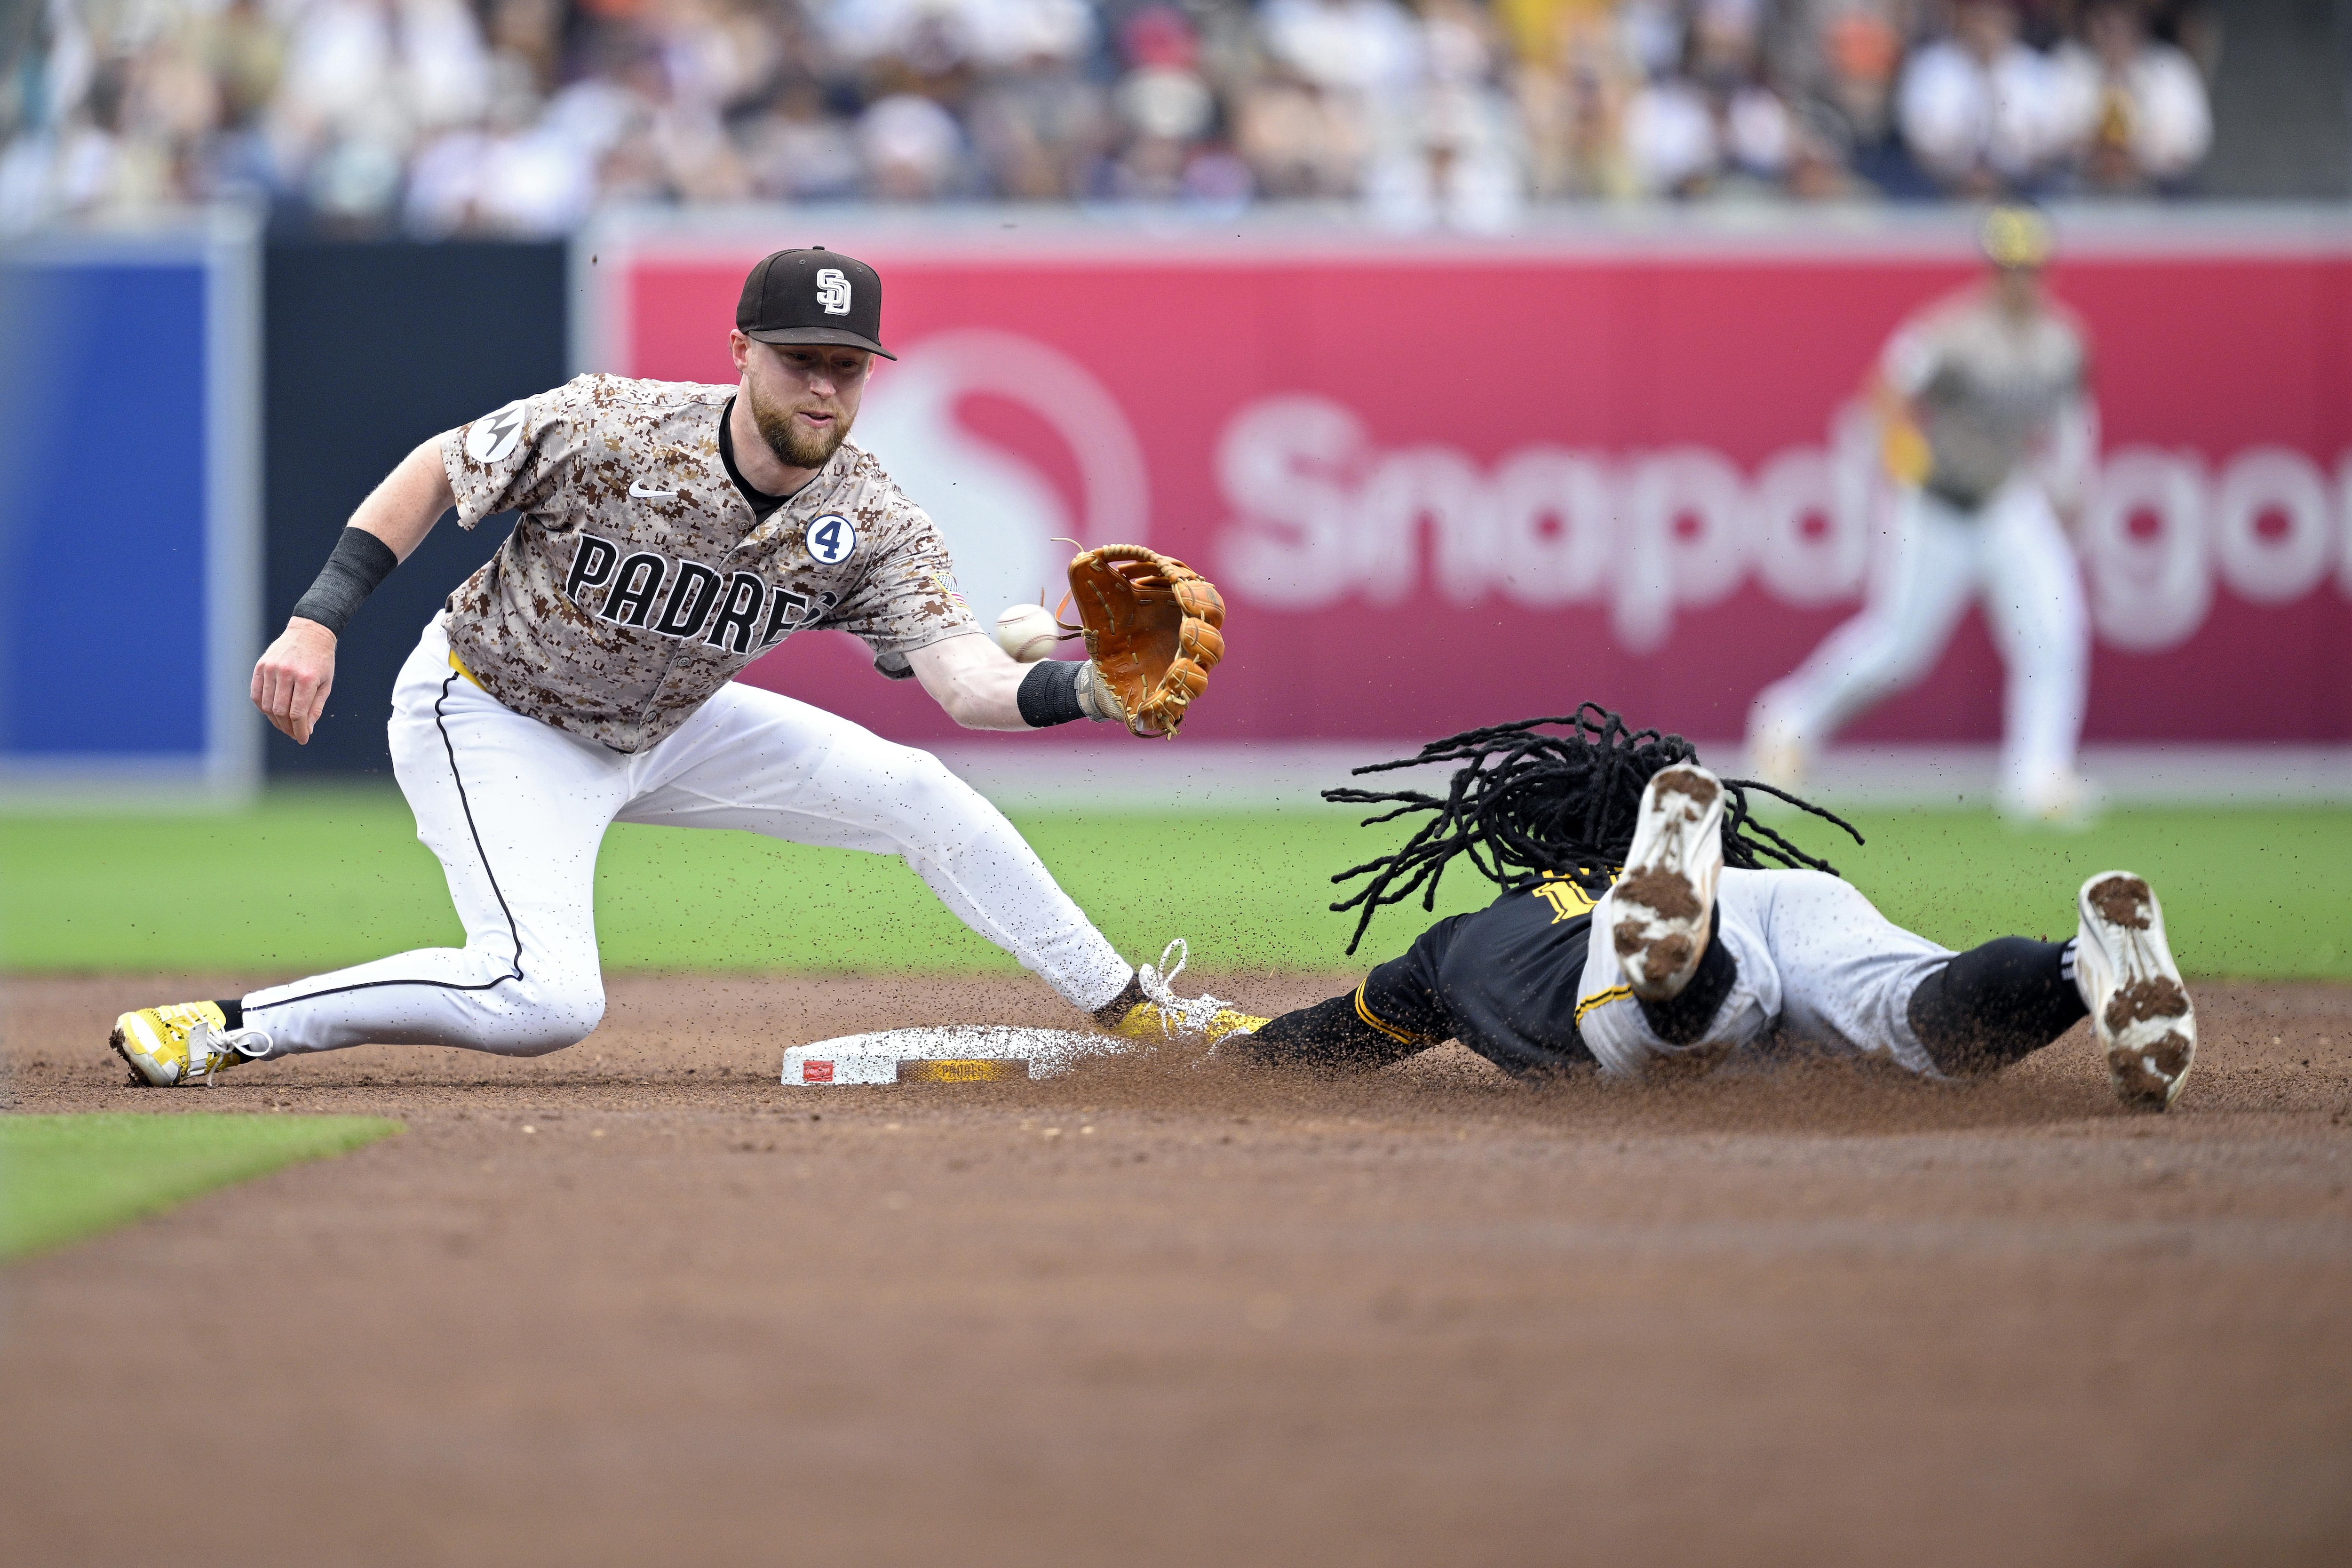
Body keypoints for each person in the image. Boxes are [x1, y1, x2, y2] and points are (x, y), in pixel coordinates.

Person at [110, 246, 1252, 1088]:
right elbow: (435, 468)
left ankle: (1134, 1008)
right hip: (498, 708)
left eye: (849, 368)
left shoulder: (874, 516)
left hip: (672, 722)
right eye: (802, 360)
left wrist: (1091, 693)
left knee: (919, 792)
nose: (825, 389)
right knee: (543, 996)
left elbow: (965, 682)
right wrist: (318, 619)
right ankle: (226, 1023)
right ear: (741, 353)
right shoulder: (615, 425)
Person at [1225, 707, 2196, 1111]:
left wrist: (1237, 1054)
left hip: (1622, 957)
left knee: (1689, 1021)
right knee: (1918, 1016)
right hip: (1782, 897)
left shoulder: (1464, 940)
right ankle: (2078, 962)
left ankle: (1675, 955)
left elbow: (1335, 1037)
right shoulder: (1744, 878)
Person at [1747, 203, 2098, 823]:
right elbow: (1883, 395)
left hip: (2006, 499)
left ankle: (2037, 779)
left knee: (2055, 630)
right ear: (1992, 270)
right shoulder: (1949, 331)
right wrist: (1902, 457)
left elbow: (2073, 419)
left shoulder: (2062, 340)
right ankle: (1787, 722)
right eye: (2008, 267)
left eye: (2031, 267)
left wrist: (2072, 485)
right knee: (1898, 646)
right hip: (1936, 500)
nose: (2020, 279)